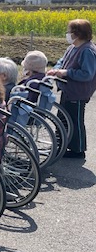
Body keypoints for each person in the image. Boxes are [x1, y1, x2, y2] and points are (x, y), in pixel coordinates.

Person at [47, 19, 96, 159]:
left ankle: (78, 150)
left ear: (77, 33)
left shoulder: (87, 50)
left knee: (75, 121)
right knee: (62, 118)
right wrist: (56, 69)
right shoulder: (72, 47)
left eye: (69, 31)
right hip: (67, 90)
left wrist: (67, 72)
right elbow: (62, 61)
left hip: (78, 92)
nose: (67, 34)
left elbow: (87, 74)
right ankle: (61, 145)